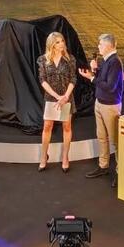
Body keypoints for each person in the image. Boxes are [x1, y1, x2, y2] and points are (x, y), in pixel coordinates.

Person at [78, 34, 124, 179]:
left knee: (115, 141)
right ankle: (103, 166)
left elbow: (110, 87)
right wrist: (96, 70)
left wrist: (91, 77)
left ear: (108, 46)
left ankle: (120, 172)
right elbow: (103, 79)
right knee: (102, 137)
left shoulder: (115, 62)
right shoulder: (106, 60)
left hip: (110, 106)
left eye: (101, 45)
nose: (98, 47)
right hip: (100, 103)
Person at [37, 32, 76, 173]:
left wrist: (65, 96)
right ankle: (43, 156)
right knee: (47, 127)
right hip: (51, 99)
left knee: (67, 127)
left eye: (62, 41)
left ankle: (65, 157)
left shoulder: (70, 59)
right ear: (52, 44)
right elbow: (42, 80)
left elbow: (73, 79)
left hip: (66, 98)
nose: (62, 44)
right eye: (58, 42)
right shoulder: (43, 60)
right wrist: (56, 96)